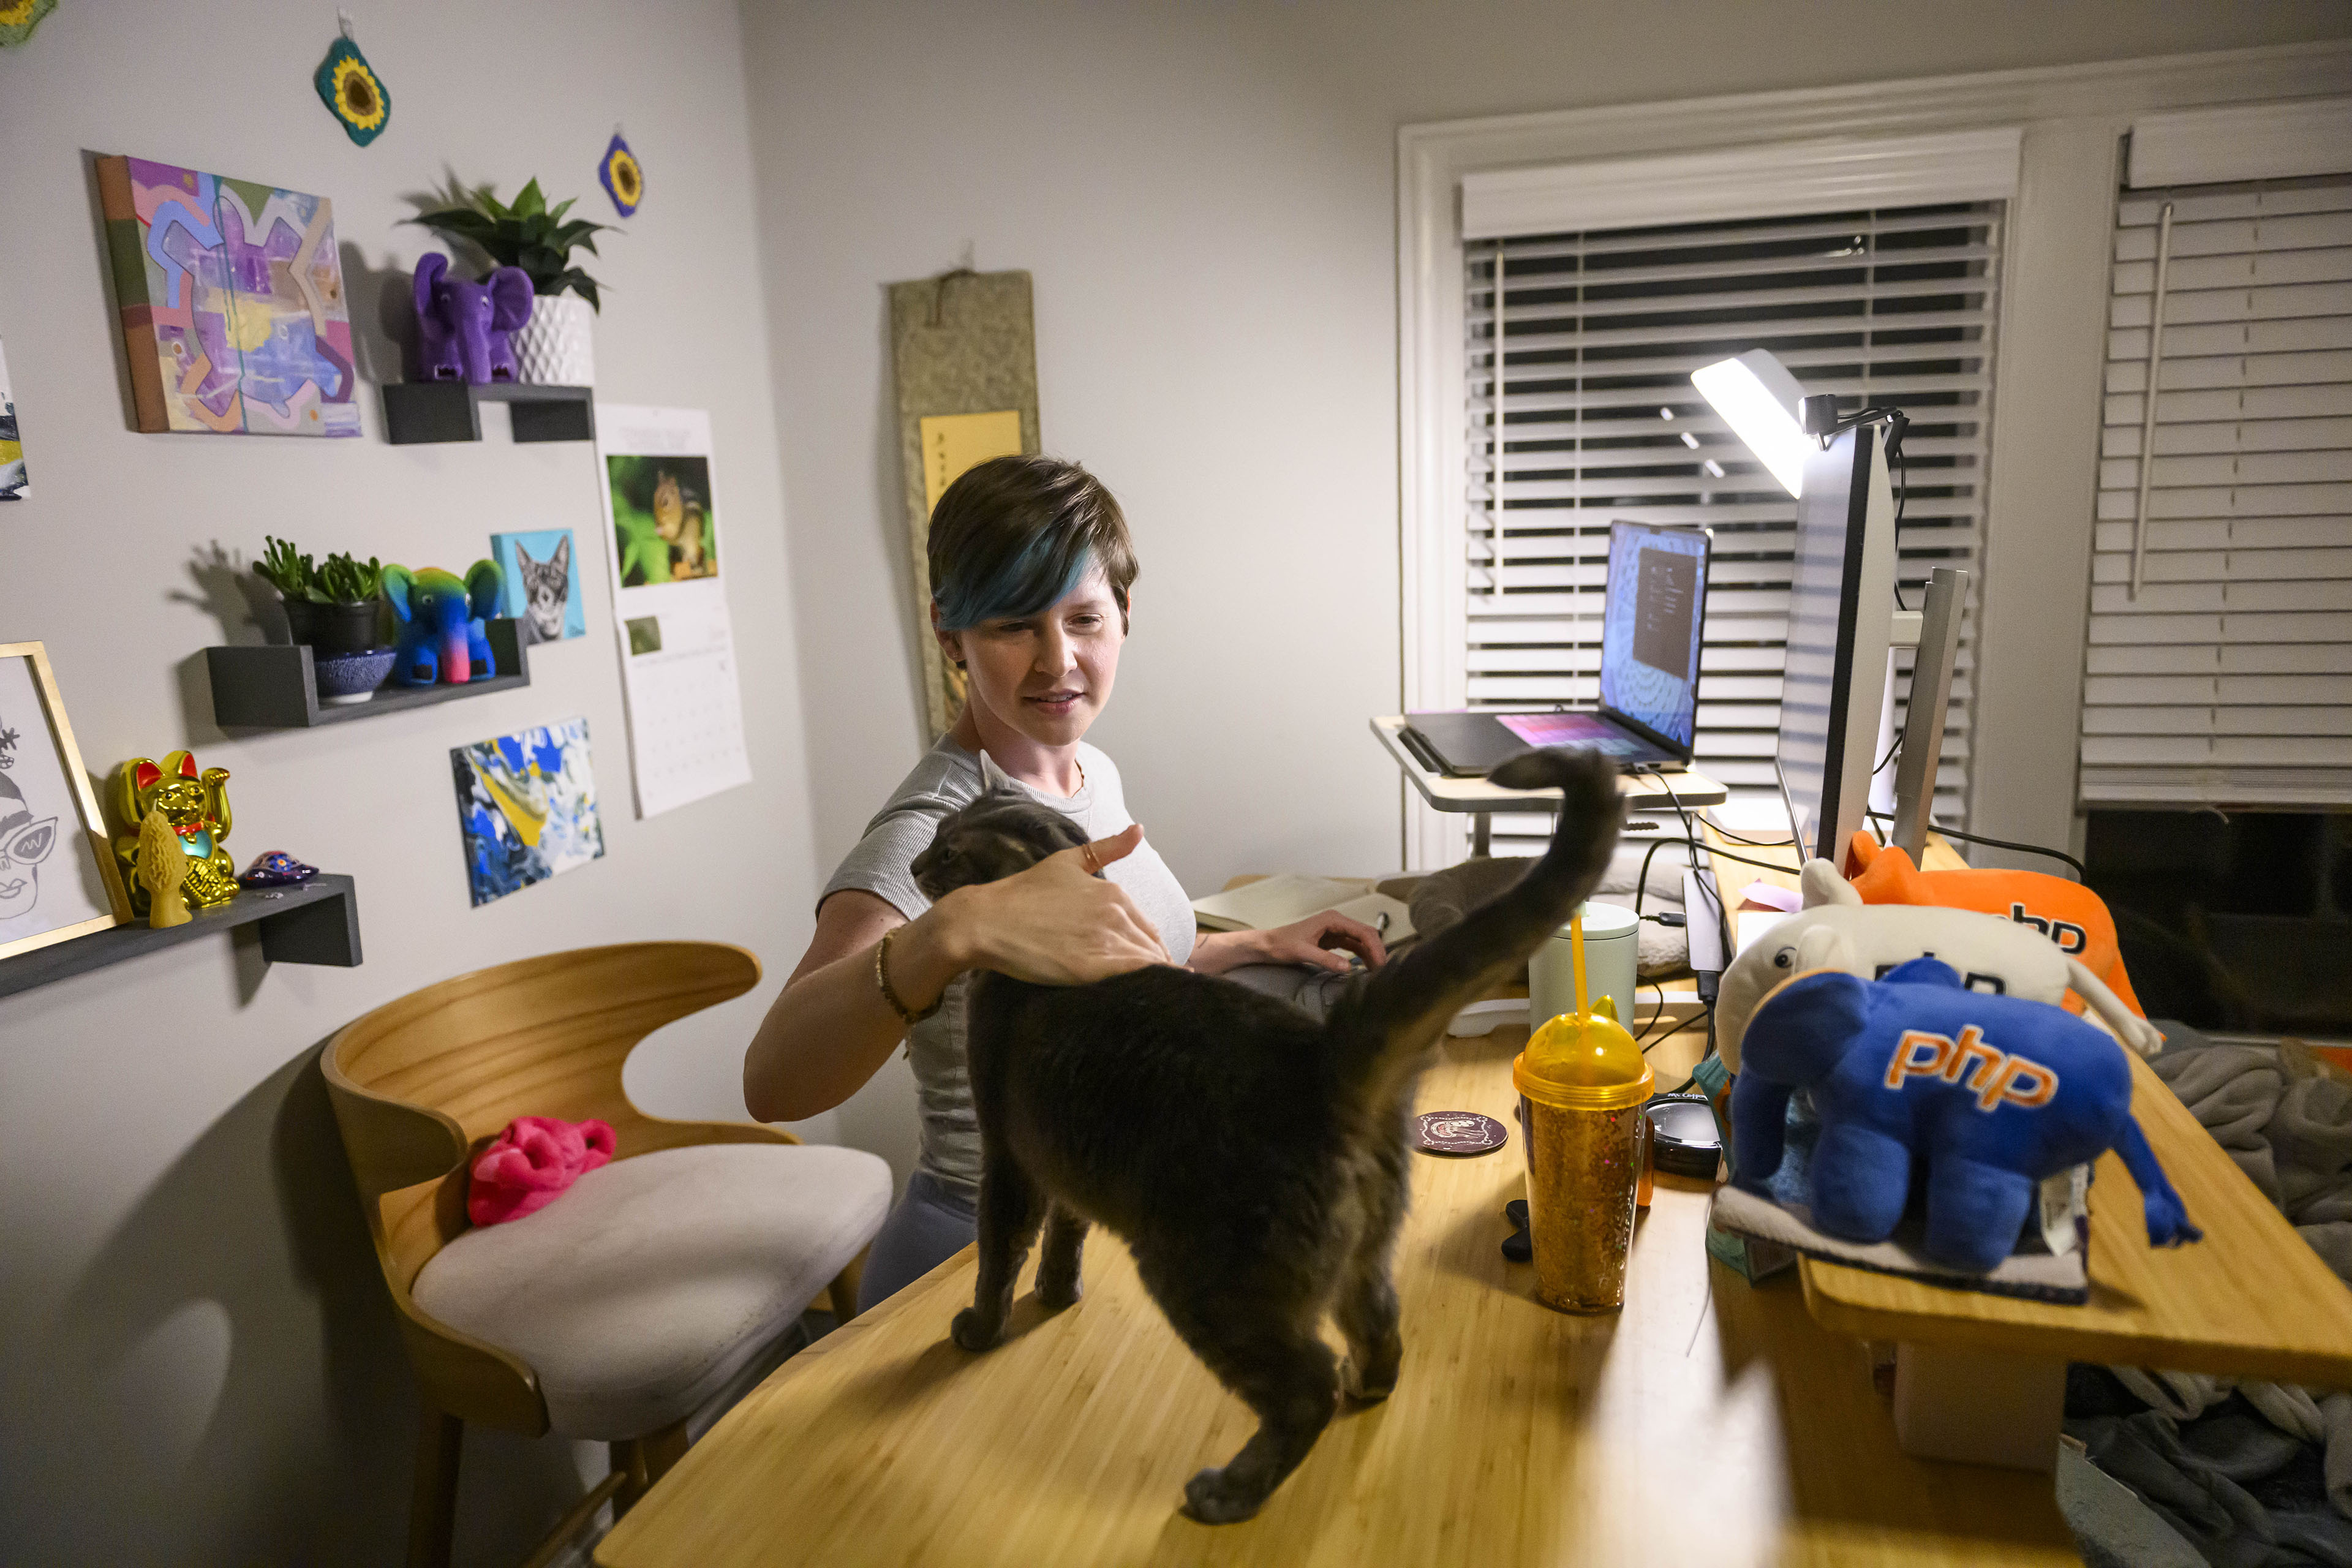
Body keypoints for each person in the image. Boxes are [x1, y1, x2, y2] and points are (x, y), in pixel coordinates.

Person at [743, 455, 1386, 1309]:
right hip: (977, 1259)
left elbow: (1092, 978)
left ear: (1125, 614)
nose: (1058, 661)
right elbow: (772, 1082)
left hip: (1099, 1227)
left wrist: (1252, 946)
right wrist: (949, 931)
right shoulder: (931, 832)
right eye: (1014, 625)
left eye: (1084, 618)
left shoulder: (1083, 773)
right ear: (950, 635)